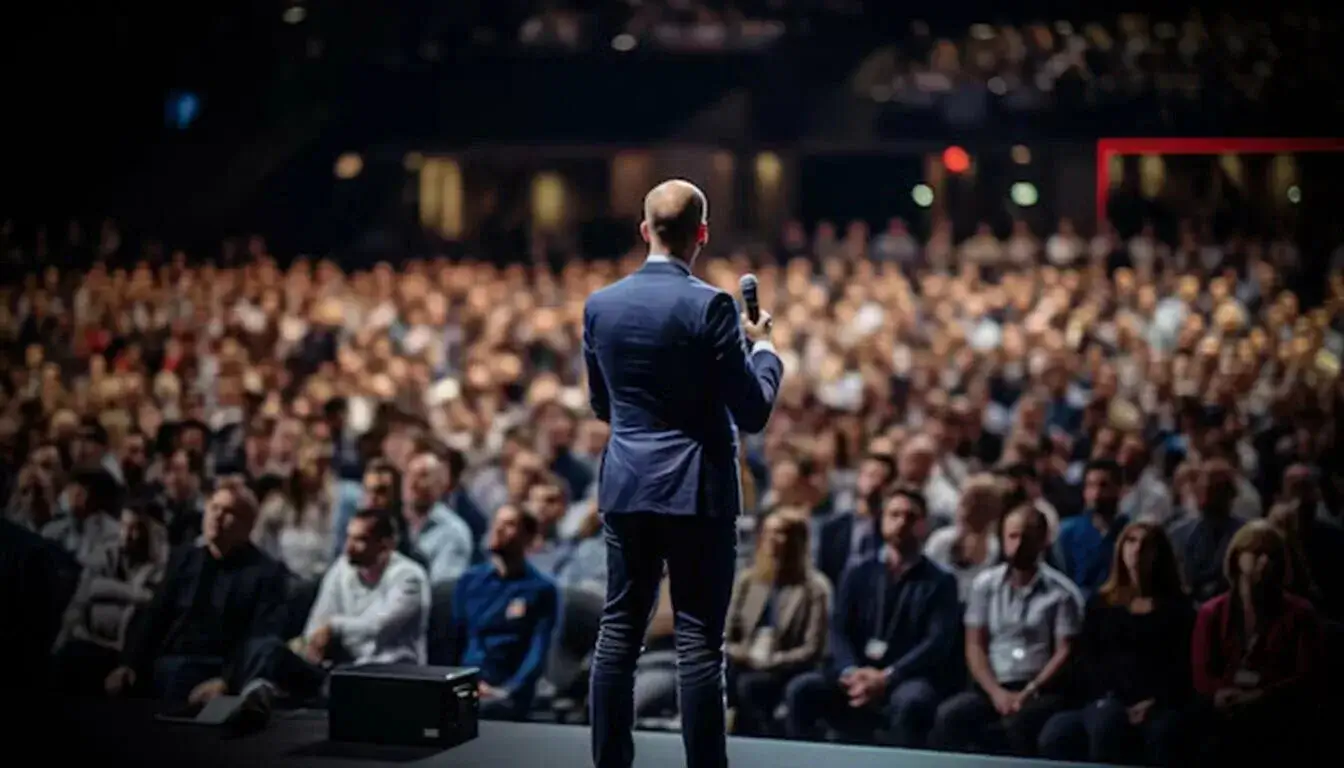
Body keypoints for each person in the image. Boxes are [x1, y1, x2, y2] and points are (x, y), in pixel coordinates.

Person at [584, 179, 783, 768]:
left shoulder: (600, 305)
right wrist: (765, 351)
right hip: (697, 490)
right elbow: (753, 410)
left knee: (618, 633)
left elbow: (602, 405)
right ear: (703, 233)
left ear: (645, 230)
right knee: (698, 644)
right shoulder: (712, 305)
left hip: (627, 484)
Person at [784, 489, 960, 748]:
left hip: (905, 675)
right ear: (882, 520)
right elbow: (838, 630)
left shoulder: (941, 581)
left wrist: (887, 677)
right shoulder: (857, 571)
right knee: (802, 689)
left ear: (924, 525)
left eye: (911, 517)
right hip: (854, 672)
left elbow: (936, 642)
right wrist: (851, 671)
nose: (901, 522)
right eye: (894, 514)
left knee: (913, 702)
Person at [104, 479, 289, 704]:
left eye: (229, 512)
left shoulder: (266, 573)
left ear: (248, 526)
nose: (217, 517)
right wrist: (129, 664)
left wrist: (227, 681)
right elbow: (154, 616)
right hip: (169, 663)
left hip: (217, 670)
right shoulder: (184, 559)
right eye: (214, 508)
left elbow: (261, 638)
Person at [931, 504, 1083, 757]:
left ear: (1043, 540)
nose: (1019, 544)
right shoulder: (984, 585)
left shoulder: (1063, 594)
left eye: (1027, 537)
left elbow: (1064, 651)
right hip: (993, 685)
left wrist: (1030, 690)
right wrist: (995, 692)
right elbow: (974, 644)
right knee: (950, 715)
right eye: (1013, 536)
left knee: (1020, 724)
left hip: (1041, 689)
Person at [1038, 521, 1195, 765]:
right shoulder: (1101, 604)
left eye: (1147, 544)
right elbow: (1088, 661)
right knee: (1058, 733)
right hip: (1106, 698)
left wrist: (1154, 703)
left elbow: (1182, 667)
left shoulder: (1178, 609)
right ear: (1120, 548)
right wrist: (1112, 700)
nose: (1137, 550)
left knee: (1160, 733)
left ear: (1160, 554)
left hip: (1158, 703)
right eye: (1131, 541)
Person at [1190, 521, 1325, 761]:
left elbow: (1308, 676)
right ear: (1236, 558)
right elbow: (1202, 674)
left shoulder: (1301, 613)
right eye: (1258, 552)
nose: (1266, 561)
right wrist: (1220, 693)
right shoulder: (1212, 613)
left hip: (1279, 713)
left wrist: (1261, 696)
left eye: (1272, 555)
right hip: (1223, 712)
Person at [724, 509, 831, 737]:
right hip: (747, 659)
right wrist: (744, 655)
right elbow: (727, 634)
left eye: (781, 533)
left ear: (798, 541)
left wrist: (772, 661)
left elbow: (812, 649)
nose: (772, 539)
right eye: (768, 532)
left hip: (789, 666)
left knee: (751, 685)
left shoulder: (814, 588)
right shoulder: (748, 581)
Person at [452, 504, 559, 721]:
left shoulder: (541, 589)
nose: (498, 529)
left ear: (528, 538)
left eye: (509, 524)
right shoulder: (469, 581)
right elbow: (454, 641)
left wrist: (507, 691)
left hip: (509, 690)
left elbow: (537, 651)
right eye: (496, 522)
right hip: (467, 683)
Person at [299, 507, 431, 666]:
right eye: (349, 537)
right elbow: (318, 620)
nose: (348, 547)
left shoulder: (410, 577)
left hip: (393, 670)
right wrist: (313, 642)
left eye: (360, 540)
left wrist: (333, 627)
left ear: (386, 545)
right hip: (344, 665)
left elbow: (377, 626)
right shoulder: (342, 567)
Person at [1054, 459, 1127, 599]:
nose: (1096, 493)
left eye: (1104, 486)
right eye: (1091, 486)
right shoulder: (1066, 532)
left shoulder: (1129, 531)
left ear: (1119, 489)